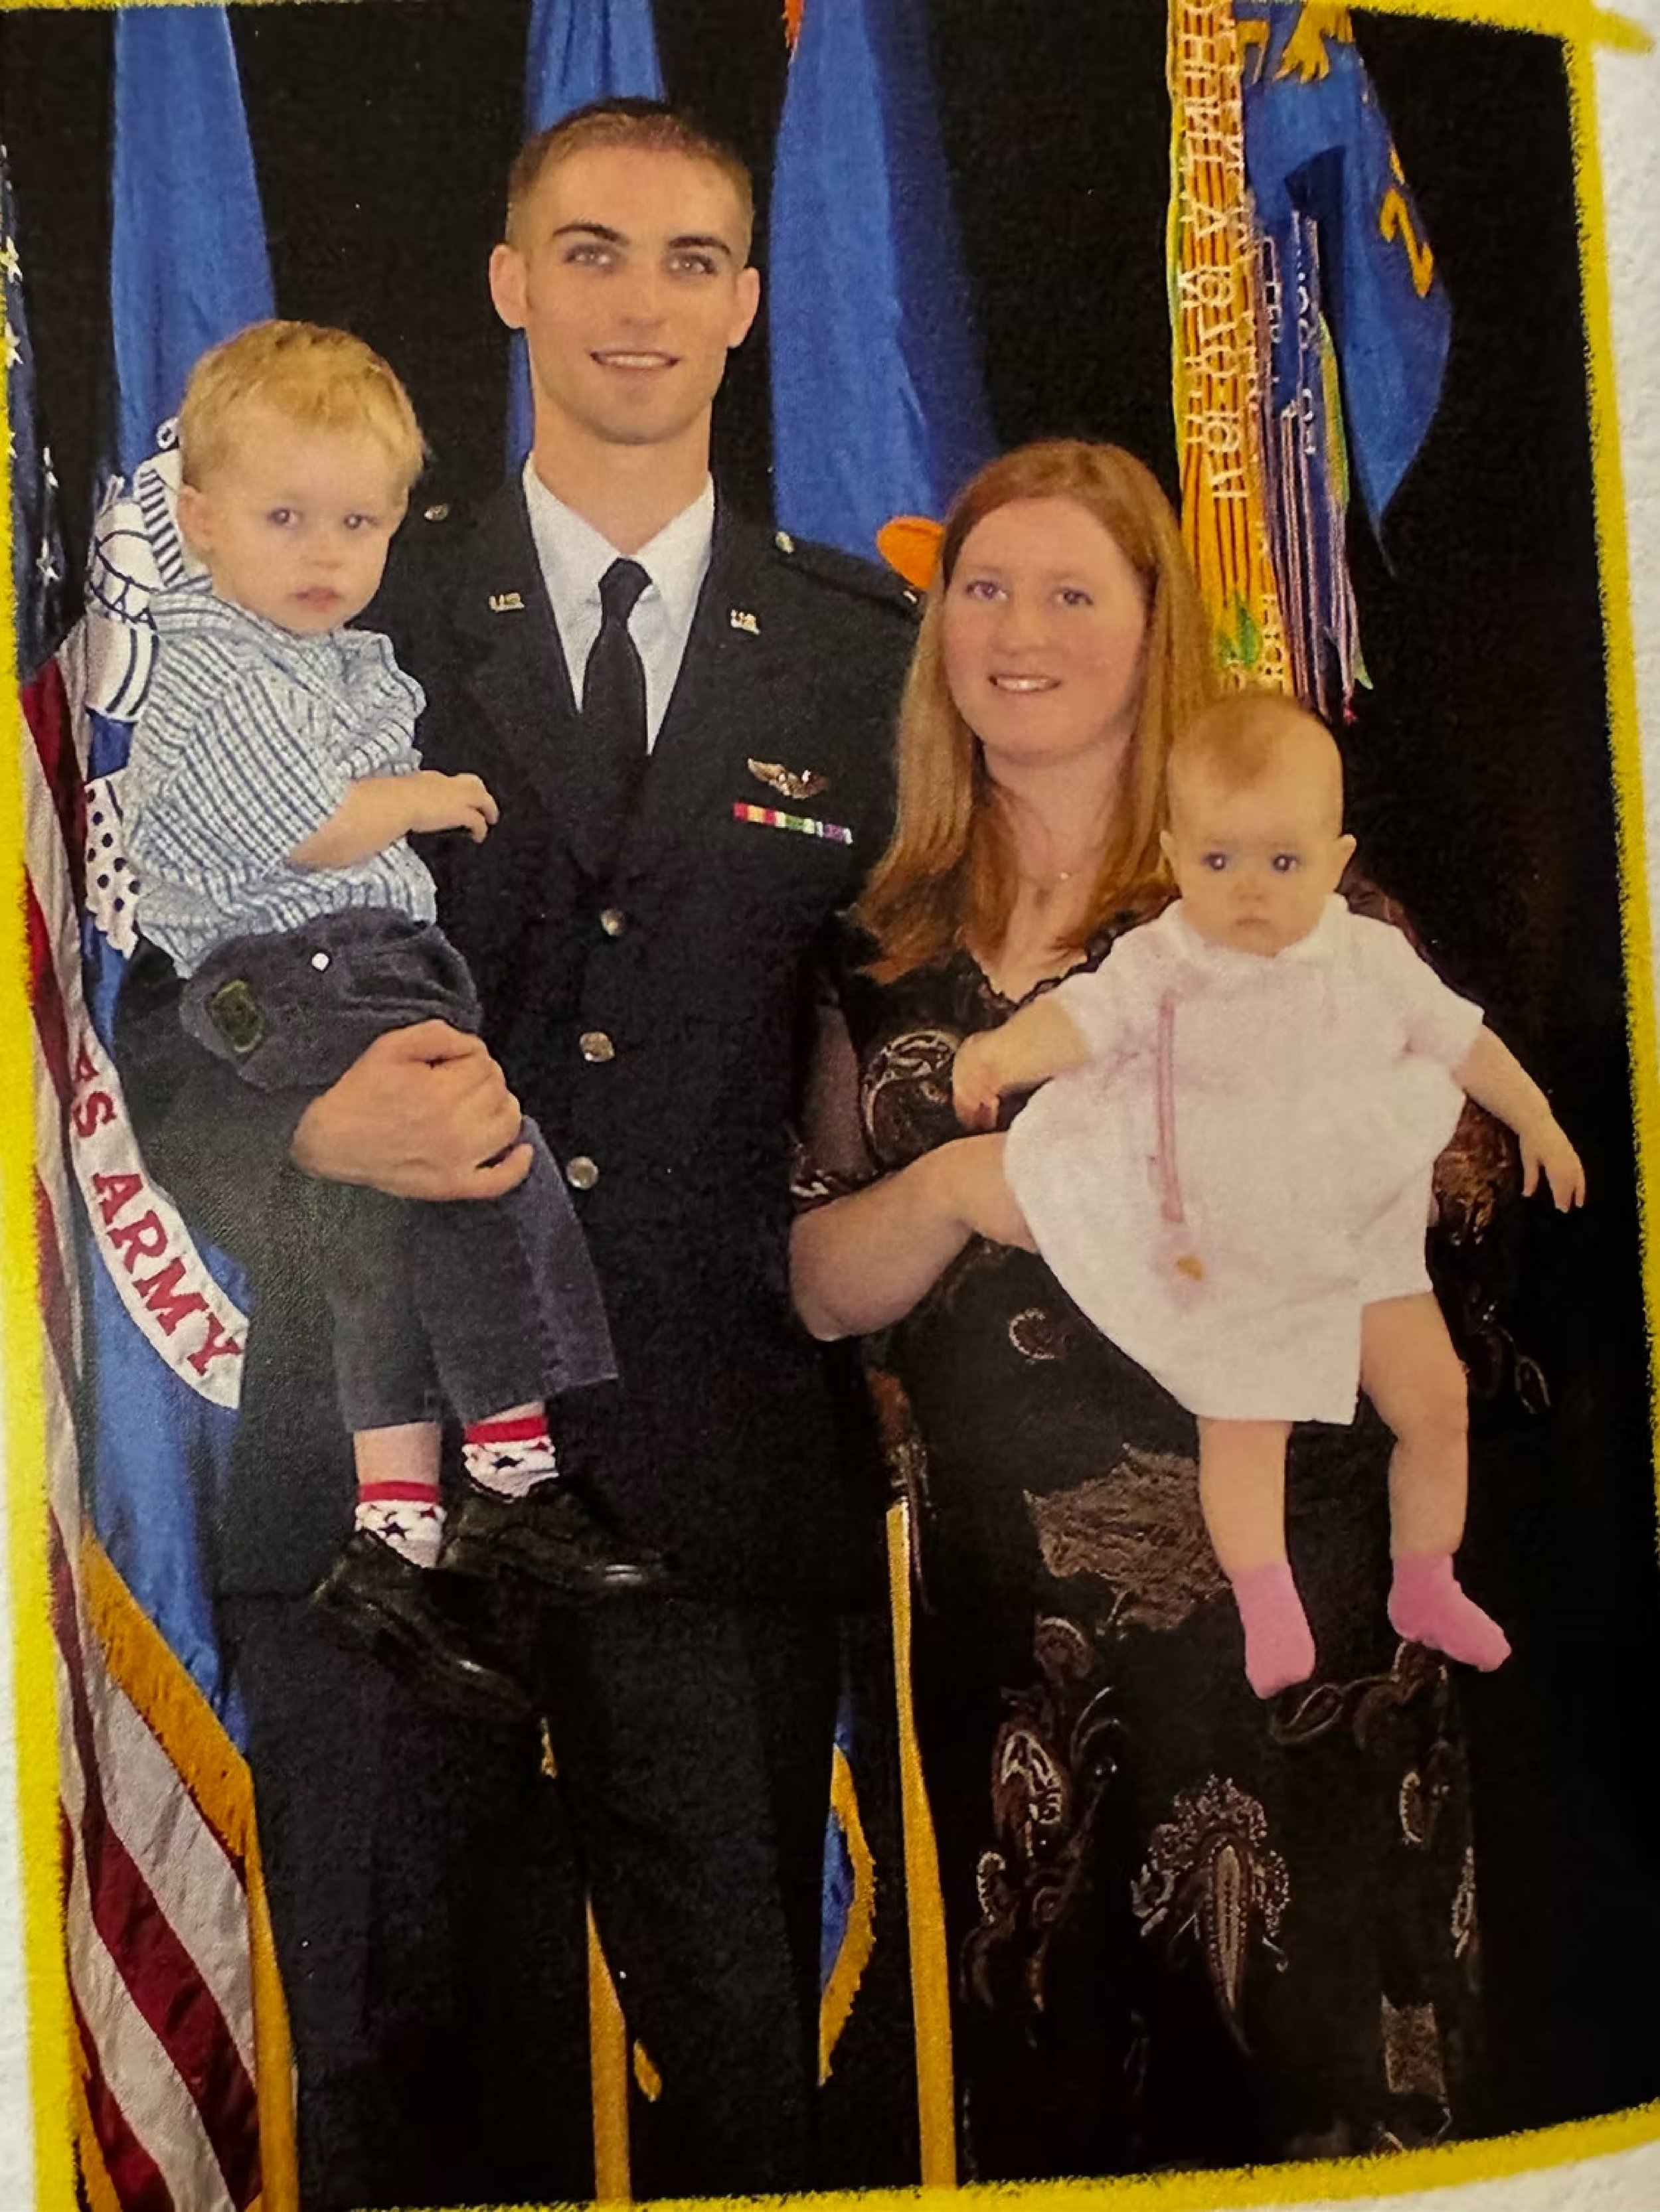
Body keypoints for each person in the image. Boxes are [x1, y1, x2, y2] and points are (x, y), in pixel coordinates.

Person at [115, 100, 918, 2205]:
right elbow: (146, 1000)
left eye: (683, 259)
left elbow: (918, 1006)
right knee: (381, 2095)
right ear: (505, 282)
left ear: (747, 302)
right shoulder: (329, 595)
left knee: (752, 2081)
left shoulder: (863, 653)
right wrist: (295, 1100)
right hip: (376, 1503)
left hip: (714, 1484)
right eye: (585, 249)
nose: (633, 302)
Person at [792, 439, 1515, 2175]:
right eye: (983, 589)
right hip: (1008, 1661)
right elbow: (810, 1278)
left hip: (1287, 1639)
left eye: (1070, 593)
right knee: (1052, 2112)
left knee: (1309, 2103)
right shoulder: (870, 943)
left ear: (1152, 629)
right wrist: (967, 1189)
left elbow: (1460, 1186)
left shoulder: (1277, 902)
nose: (1017, 630)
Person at [123, 319, 654, 1711]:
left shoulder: (343, 656)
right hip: (297, 968)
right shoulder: (214, 662)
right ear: (194, 518)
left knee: (387, 1229)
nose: (322, 551)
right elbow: (300, 822)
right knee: (498, 1174)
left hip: (356, 961)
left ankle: (397, 1527)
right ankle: (516, 1468)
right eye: (283, 515)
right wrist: (423, 800)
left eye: (355, 520)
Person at [952, 691, 1585, 1697]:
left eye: (1282, 864)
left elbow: (1464, 1041)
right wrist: (1001, 1052)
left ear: (1336, 862)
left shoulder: (1370, 957)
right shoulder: (1164, 960)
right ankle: (1266, 1598)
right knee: (1245, 1429)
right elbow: (1080, 1021)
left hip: (1361, 1224)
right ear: (1173, 856)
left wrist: (1538, 1119)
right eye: (1218, 862)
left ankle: (1427, 1577)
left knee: (1436, 1402)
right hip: (1239, 1237)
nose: (1249, 890)